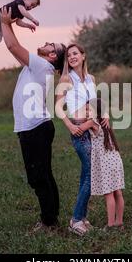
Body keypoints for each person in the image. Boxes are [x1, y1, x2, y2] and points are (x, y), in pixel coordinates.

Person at [0, 5, 66, 232]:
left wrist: (5, 21)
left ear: (53, 55)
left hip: (35, 128)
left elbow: (12, 45)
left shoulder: (42, 65)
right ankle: (51, 218)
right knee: (43, 175)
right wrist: (7, 24)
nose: (47, 42)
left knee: (38, 177)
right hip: (36, 127)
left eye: (52, 44)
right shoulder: (37, 66)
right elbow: (14, 47)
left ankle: (49, 222)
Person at [55, 43, 109, 236]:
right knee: (90, 176)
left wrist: (103, 117)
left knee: (86, 175)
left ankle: (82, 218)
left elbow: (94, 103)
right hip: (79, 131)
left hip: (92, 131)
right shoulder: (66, 78)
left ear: (83, 56)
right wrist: (70, 126)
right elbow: (58, 107)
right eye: (69, 55)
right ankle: (76, 220)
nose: (72, 57)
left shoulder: (91, 79)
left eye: (75, 54)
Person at [79, 99, 125, 231]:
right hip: (115, 160)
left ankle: (110, 225)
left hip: (106, 163)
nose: (86, 112)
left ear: (96, 111)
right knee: (118, 192)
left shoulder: (93, 122)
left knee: (109, 194)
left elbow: (79, 129)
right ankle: (119, 222)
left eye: (88, 109)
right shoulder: (104, 122)